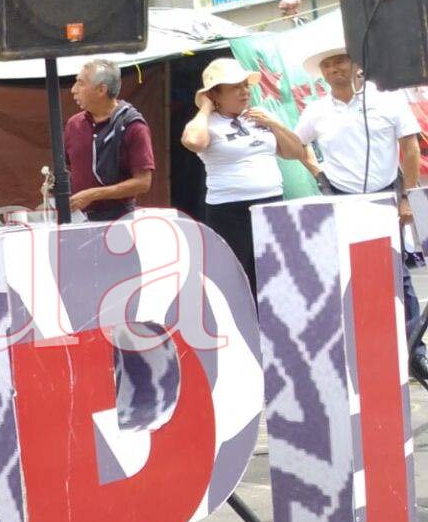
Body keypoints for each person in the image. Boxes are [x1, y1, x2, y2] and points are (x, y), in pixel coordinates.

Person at [295, 43, 427, 375]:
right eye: (327, 65)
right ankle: (365, 350)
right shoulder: (315, 110)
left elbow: (409, 147)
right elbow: (297, 145)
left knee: (397, 275)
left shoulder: (386, 98)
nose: (333, 69)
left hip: (385, 195)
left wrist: (407, 196)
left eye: (339, 61)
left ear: (356, 65)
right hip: (340, 198)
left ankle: (414, 352)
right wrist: (317, 172)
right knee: (348, 273)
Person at [181, 58, 310, 291]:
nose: (243, 92)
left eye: (245, 86)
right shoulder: (205, 123)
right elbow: (193, 142)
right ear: (215, 95)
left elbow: (296, 152)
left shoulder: (260, 115)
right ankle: (241, 324)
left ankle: (271, 324)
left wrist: (274, 124)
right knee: (238, 273)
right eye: (234, 87)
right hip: (229, 208)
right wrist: (206, 108)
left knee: (274, 271)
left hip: (270, 202)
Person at [64, 59, 155, 221]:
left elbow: (143, 182)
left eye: (80, 83)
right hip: (78, 221)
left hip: (118, 220)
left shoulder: (133, 127)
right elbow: (69, 168)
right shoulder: (74, 124)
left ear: (101, 90)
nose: (73, 90)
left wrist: (94, 194)